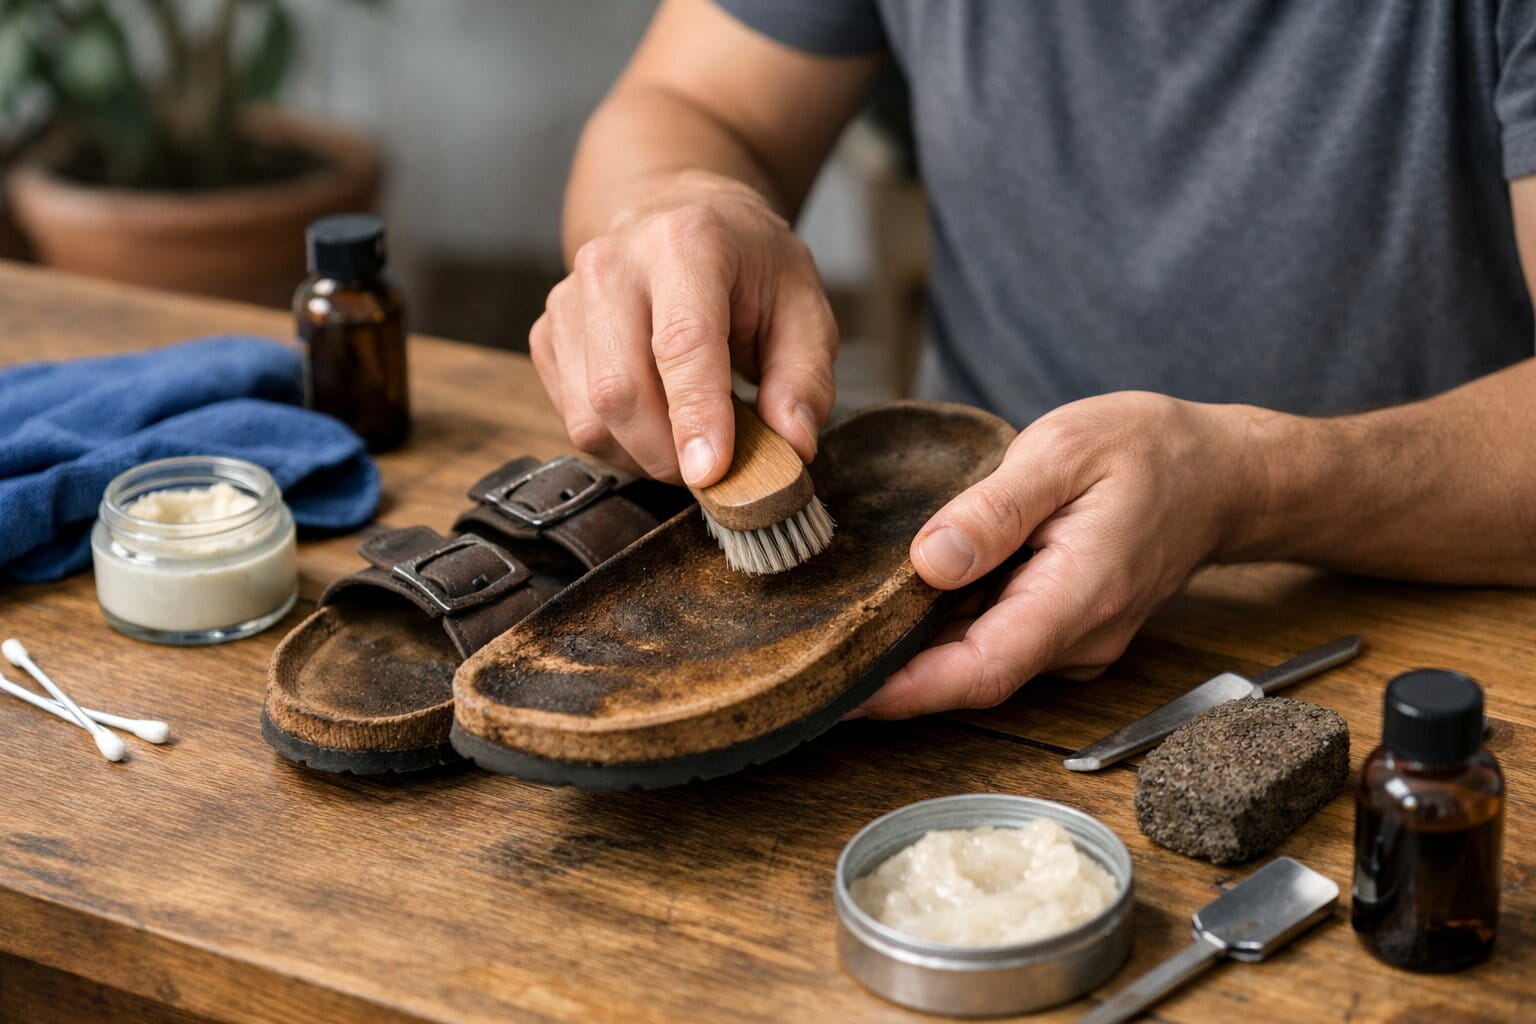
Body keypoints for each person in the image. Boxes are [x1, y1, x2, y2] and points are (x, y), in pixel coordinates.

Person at [529, 0, 1536, 719]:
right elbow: (685, 102)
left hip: (1417, 638)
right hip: (950, 593)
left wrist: (1248, 486)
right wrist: (673, 208)